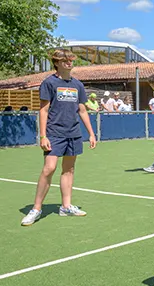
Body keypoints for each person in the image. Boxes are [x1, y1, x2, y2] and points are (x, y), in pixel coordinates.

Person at [21, 49, 97, 226]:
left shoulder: (78, 85)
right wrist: (43, 136)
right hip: (54, 133)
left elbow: (83, 110)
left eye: (71, 60)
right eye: (65, 61)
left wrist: (92, 133)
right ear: (57, 63)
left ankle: (66, 206)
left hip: (73, 133)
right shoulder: (49, 83)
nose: (69, 63)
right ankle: (36, 209)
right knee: (49, 168)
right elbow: (44, 110)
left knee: (69, 169)